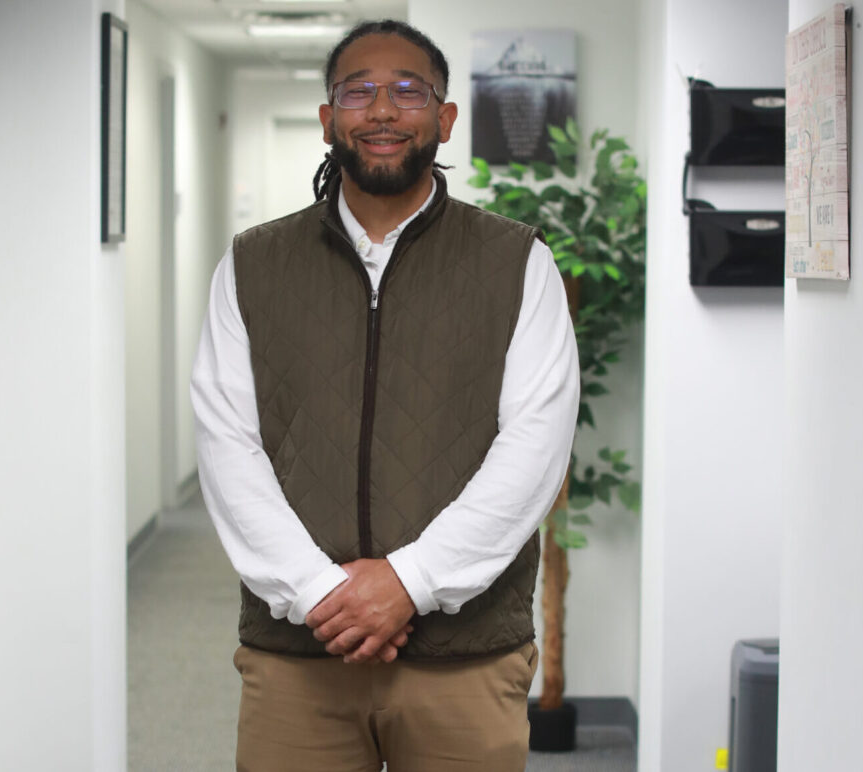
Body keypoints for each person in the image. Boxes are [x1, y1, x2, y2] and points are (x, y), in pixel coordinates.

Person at [191, 19, 579, 770]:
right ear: (327, 119)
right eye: (357, 91)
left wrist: (410, 582)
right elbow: (226, 444)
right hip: (300, 655)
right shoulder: (253, 265)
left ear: (444, 118)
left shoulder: (515, 262)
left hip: (463, 658)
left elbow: (534, 446)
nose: (380, 110)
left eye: (407, 90)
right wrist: (316, 594)